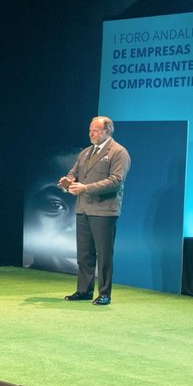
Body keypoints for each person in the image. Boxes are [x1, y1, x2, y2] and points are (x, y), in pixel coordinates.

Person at [59, 116, 130, 306]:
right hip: (83, 208)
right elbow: (73, 173)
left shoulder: (119, 152)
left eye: (95, 131)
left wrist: (85, 188)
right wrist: (67, 181)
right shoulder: (85, 152)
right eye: (90, 130)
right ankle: (84, 290)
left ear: (108, 131)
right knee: (84, 254)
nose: (91, 134)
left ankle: (104, 293)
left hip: (104, 210)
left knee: (104, 255)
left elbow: (115, 181)